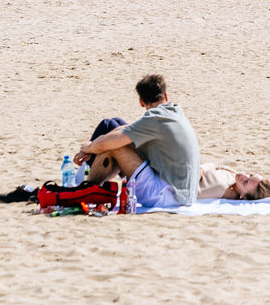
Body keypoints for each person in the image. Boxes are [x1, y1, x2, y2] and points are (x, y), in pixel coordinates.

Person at [75, 74, 201, 211]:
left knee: (114, 146)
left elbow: (104, 144)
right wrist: (93, 146)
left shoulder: (156, 119)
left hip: (165, 197)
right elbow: (125, 128)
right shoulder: (174, 112)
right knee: (113, 124)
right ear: (165, 95)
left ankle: (85, 191)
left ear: (141, 101)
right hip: (183, 193)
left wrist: (89, 148)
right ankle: (84, 182)